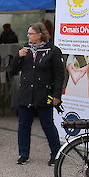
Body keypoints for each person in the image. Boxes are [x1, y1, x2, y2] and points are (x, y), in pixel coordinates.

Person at [11, 22, 63, 166]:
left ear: (40, 35)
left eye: (31, 34)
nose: (28, 36)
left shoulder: (52, 51)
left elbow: (59, 75)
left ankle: (56, 154)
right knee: (23, 125)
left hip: (43, 93)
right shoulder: (25, 50)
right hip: (26, 93)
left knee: (47, 125)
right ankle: (23, 154)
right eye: (27, 34)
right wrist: (18, 57)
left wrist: (56, 95)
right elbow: (12, 70)